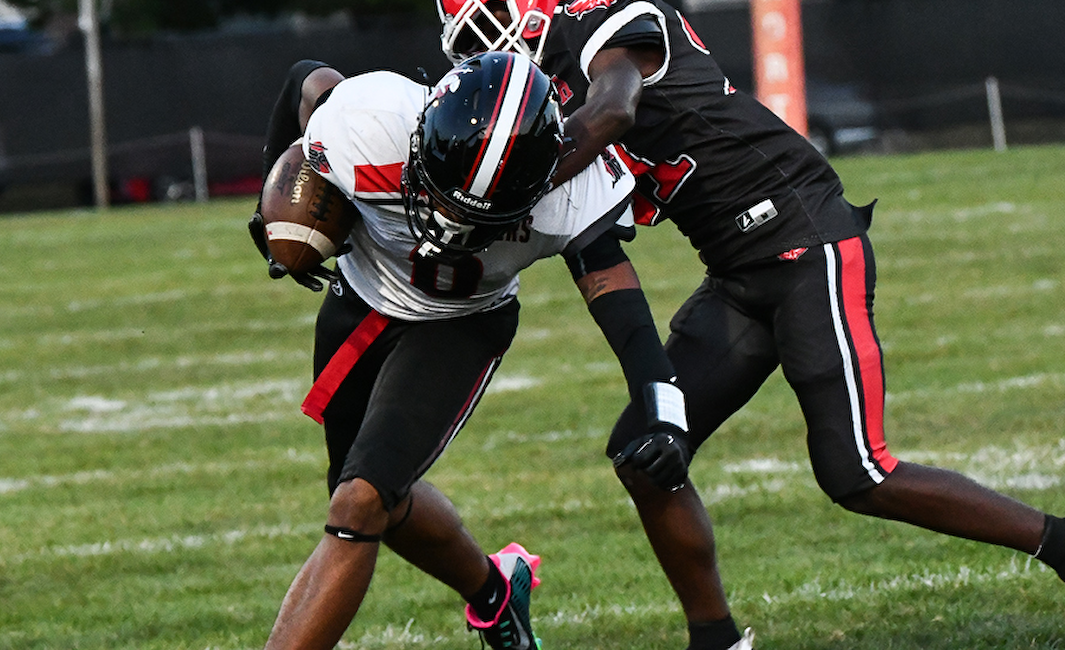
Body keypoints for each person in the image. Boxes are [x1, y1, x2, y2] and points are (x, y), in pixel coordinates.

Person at [435, 0, 1065, 650]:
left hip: (807, 240)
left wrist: (514, 185)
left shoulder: (597, 17)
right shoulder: (557, 92)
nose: (485, 49)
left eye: (488, 23)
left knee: (856, 470)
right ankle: (717, 639)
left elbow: (614, 107)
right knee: (644, 453)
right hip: (739, 272)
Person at [248, 50, 720, 650]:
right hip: (360, 300)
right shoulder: (367, 121)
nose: (446, 220)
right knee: (363, 498)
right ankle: (496, 594)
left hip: (460, 324)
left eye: (473, 213)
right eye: (440, 193)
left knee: (359, 504)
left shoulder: (568, 190)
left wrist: (664, 413)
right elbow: (306, 80)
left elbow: (620, 305)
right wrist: (269, 205)